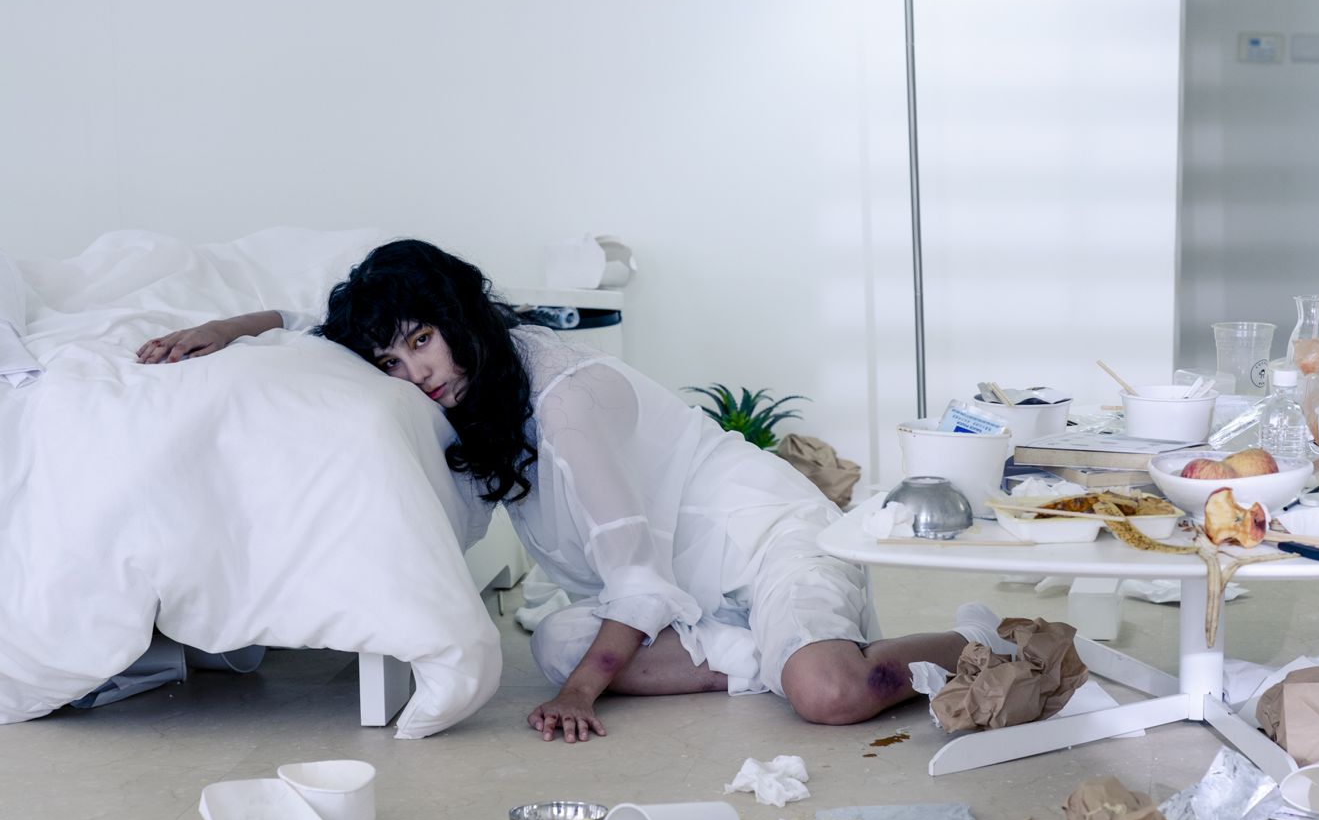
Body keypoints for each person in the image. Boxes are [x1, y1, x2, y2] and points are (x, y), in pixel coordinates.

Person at [138, 239, 1010, 742]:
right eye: (393, 362)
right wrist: (230, 327)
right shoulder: (474, 388)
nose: (416, 374)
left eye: (422, 341)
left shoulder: (563, 399)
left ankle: (989, 640)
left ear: (458, 317)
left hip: (761, 541)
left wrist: (582, 696)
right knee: (558, 641)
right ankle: (771, 657)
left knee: (829, 695)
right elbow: (312, 326)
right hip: (683, 594)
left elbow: (635, 578)